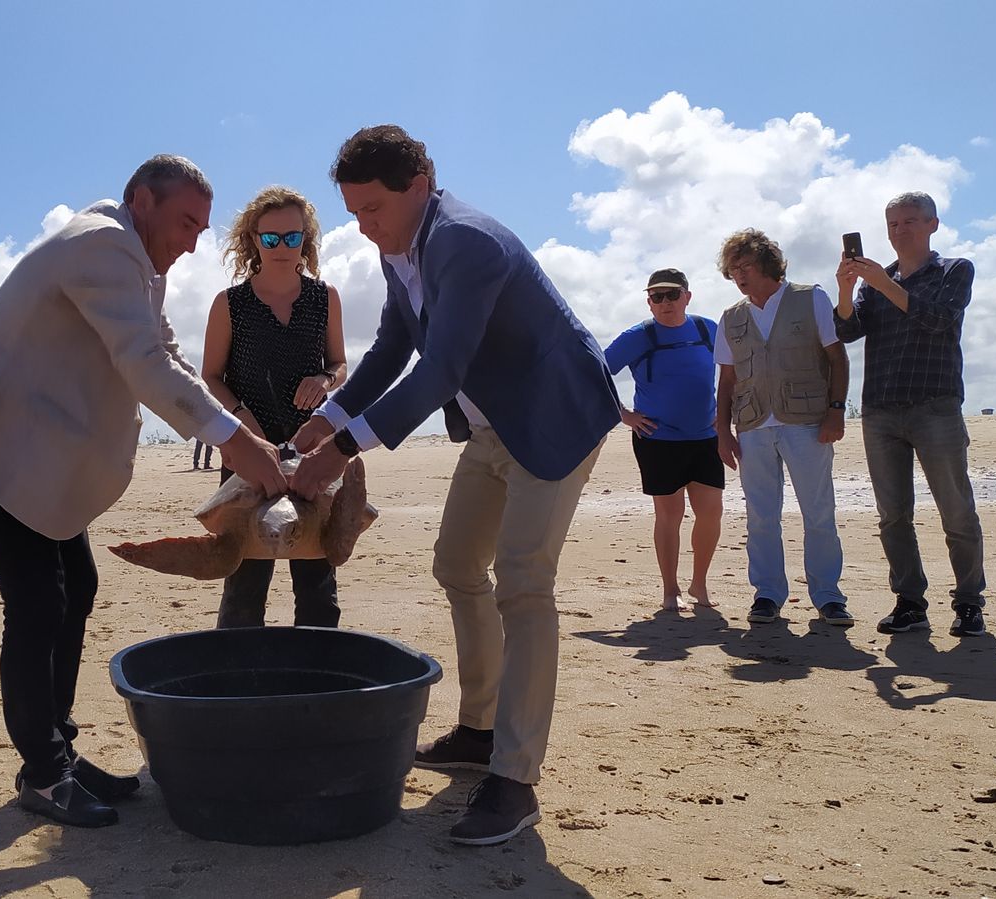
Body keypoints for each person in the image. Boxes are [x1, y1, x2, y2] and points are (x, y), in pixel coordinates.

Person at [0, 155, 286, 829]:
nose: (192, 240)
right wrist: (237, 445)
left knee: (77, 588)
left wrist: (240, 431)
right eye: (185, 221)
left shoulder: (138, 263)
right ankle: (43, 772)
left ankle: (54, 749)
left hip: (38, 456)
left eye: (202, 227)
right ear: (140, 201)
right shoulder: (102, 245)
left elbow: (170, 352)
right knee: (38, 603)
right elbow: (143, 363)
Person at [290, 126, 620, 846]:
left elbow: (436, 372)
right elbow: (391, 348)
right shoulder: (399, 247)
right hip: (492, 424)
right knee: (457, 564)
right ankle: (479, 730)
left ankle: (515, 777)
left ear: (421, 182)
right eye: (352, 211)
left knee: (524, 583)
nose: (363, 226)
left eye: (373, 208)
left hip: (555, 417)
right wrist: (329, 418)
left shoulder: (465, 241)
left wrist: (344, 449)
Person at [835, 192, 987, 636]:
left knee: (956, 512)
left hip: (935, 404)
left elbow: (938, 319)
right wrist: (846, 289)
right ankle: (909, 602)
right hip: (881, 409)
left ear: (932, 225)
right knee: (893, 515)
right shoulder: (874, 281)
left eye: (910, 221)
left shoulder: (954, 270)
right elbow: (847, 330)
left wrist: (883, 283)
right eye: (894, 224)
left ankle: (969, 603)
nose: (900, 230)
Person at [200, 186, 348, 629]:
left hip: (311, 457)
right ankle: (240, 689)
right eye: (270, 238)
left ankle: (318, 686)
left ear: (306, 239)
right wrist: (240, 416)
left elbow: (340, 365)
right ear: (253, 241)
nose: (282, 247)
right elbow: (208, 378)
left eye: (292, 237)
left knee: (318, 590)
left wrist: (324, 380)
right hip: (248, 455)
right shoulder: (230, 304)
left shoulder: (326, 298)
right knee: (243, 589)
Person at [713, 228, 852, 627]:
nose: (739, 274)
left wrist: (836, 410)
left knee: (819, 512)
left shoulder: (812, 298)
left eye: (746, 265)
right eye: (733, 267)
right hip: (753, 426)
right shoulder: (732, 317)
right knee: (760, 515)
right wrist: (723, 432)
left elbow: (837, 358)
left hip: (807, 422)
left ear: (767, 264)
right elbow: (727, 381)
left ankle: (828, 597)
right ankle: (768, 595)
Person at [602, 269, 724, 612]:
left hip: (706, 437)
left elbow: (739, 369)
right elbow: (594, 371)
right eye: (658, 296)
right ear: (649, 302)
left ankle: (699, 585)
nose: (666, 302)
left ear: (687, 296)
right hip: (658, 439)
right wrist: (623, 414)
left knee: (711, 512)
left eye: (672, 294)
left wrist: (730, 412)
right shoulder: (638, 336)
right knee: (670, 514)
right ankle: (671, 591)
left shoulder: (707, 329)